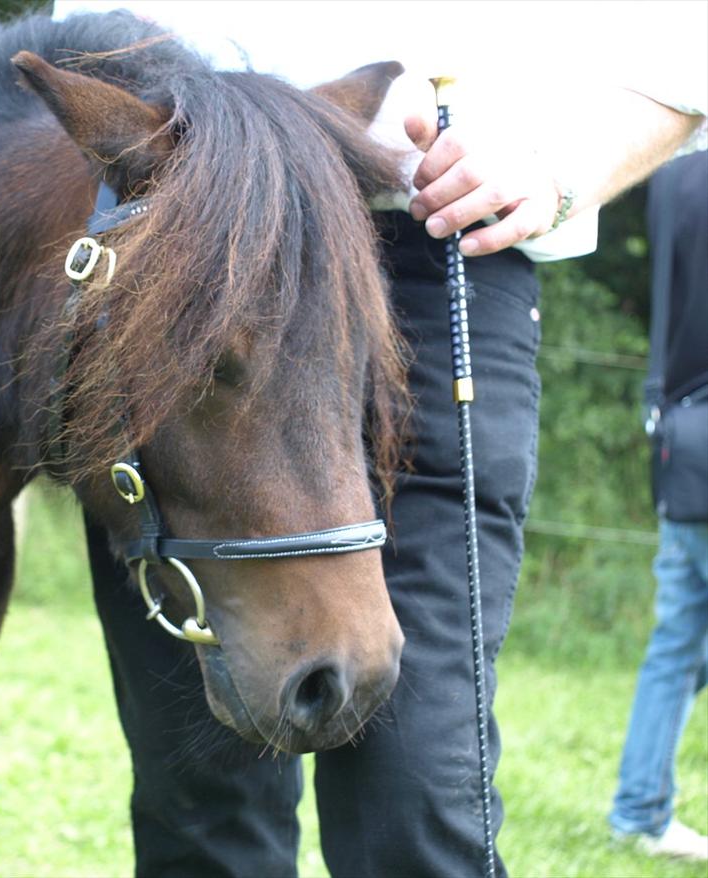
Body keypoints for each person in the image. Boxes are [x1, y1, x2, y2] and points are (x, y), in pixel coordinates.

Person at [52, 2, 708, 875]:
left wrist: (555, 173)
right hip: (188, 242)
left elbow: (682, 51)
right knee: (202, 809)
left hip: (438, 244)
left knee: (416, 800)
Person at [608, 149, 708, 862]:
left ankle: (639, 811)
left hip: (682, 434)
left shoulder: (673, 180)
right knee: (677, 643)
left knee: (676, 643)